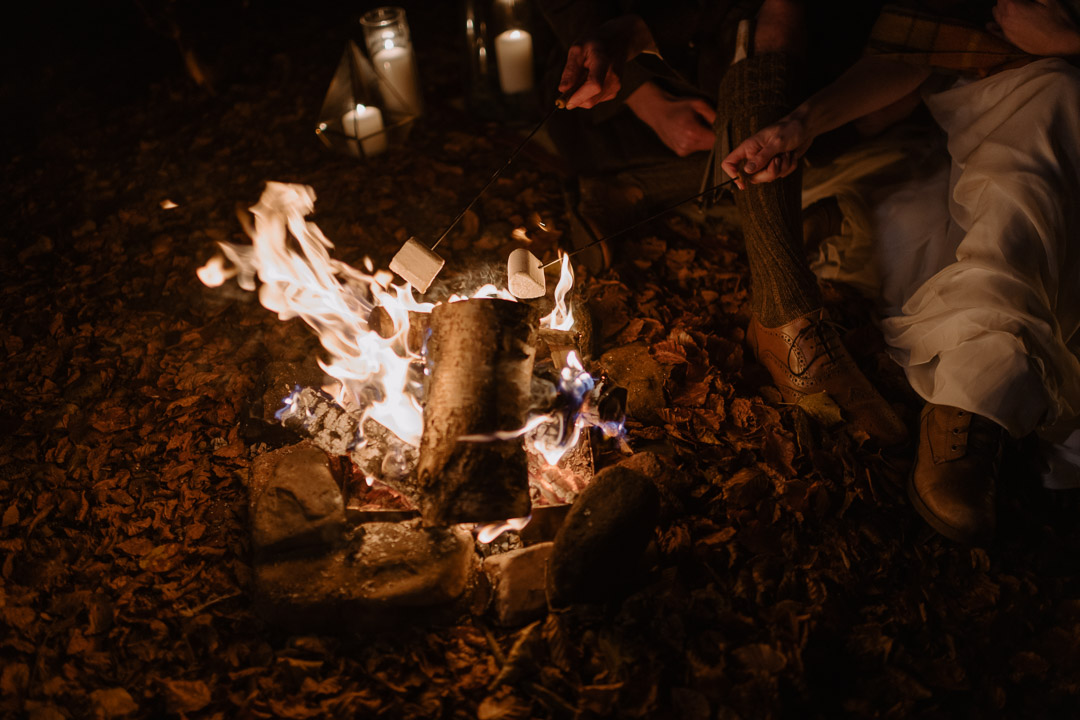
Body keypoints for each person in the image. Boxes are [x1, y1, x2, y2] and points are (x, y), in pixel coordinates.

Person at [722, 0, 1080, 543]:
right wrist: (802, 124)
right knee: (923, 237)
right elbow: (922, 45)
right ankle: (986, 385)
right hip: (980, 109)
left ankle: (971, 402)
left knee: (1032, 165)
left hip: (1052, 98)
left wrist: (1071, 43)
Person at [540, 0, 908, 447]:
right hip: (644, 94)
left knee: (814, 75)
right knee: (761, 86)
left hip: (755, 65)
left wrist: (797, 119)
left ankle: (782, 314)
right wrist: (645, 99)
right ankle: (782, 309)